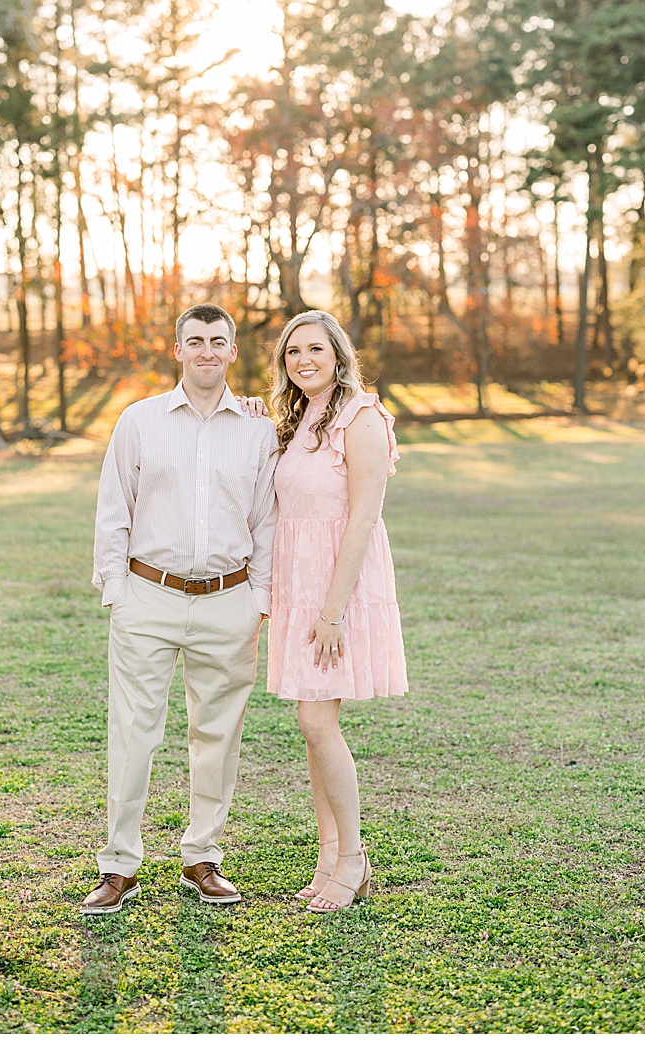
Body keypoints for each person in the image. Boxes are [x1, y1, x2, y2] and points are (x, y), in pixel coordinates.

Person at [84, 304, 280, 914]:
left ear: (232, 351)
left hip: (229, 599)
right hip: (148, 596)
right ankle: (119, 865)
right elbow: (114, 505)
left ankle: (203, 856)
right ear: (177, 350)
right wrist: (116, 590)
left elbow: (268, 519)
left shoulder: (258, 429)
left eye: (218, 341)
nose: (206, 351)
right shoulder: (139, 421)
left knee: (217, 735)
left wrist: (261, 599)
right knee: (133, 734)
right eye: (194, 341)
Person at [265, 309, 407, 912]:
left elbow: (363, 517)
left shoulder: (360, 416)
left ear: (338, 354)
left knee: (318, 724)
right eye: (293, 353)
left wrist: (332, 611)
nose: (303, 361)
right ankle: (329, 859)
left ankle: (352, 859)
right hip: (299, 588)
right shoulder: (301, 419)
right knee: (312, 727)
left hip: (337, 590)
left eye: (314, 350)